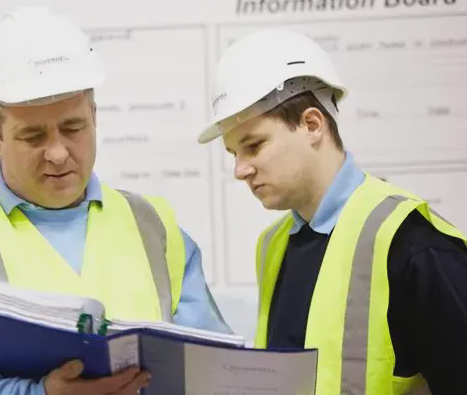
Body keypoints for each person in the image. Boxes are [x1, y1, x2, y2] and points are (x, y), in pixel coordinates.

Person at [0, 6, 231, 395]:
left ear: (94, 117)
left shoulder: (154, 228)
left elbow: (215, 368)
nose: (57, 153)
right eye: (33, 136)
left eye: (73, 128)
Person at [197, 28, 467, 394]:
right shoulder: (274, 246)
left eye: (254, 146)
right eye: (234, 154)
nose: (240, 170)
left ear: (311, 125)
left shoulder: (413, 244)